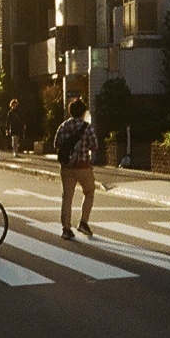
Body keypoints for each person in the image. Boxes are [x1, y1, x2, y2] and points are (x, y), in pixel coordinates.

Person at [54, 99, 98, 239]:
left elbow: (56, 144)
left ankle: (66, 228)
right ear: (84, 112)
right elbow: (94, 146)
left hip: (66, 166)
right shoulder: (87, 127)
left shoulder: (63, 126)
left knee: (67, 196)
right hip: (83, 166)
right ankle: (83, 222)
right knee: (89, 192)